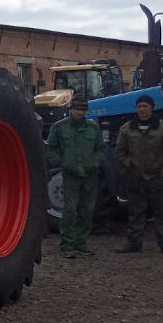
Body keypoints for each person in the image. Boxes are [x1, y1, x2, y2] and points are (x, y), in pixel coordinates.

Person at [115, 95, 163, 255]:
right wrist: (128, 168)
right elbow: (119, 152)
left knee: (162, 213)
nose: (142, 109)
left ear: (152, 107)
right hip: (135, 178)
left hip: (157, 178)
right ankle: (134, 243)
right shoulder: (127, 129)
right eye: (139, 106)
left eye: (145, 106)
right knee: (136, 213)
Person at [45, 95, 106, 259]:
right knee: (70, 210)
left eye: (83, 109)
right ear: (71, 109)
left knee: (86, 210)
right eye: (77, 108)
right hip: (71, 175)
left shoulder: (93, 128)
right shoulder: (59, 127)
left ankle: (81, 242)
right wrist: (63, 163)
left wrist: (95, 163)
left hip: (89, 175)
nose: (80, 112)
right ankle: (67, 244)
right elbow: (51, 149)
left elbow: (101, 149)